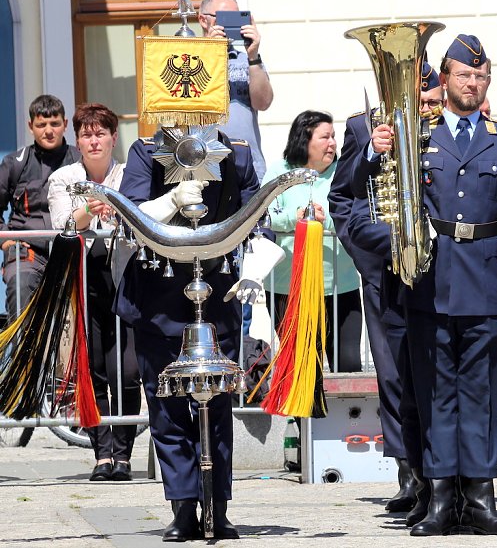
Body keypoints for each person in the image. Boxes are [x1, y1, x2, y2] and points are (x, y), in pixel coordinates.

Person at [356, 34, 497, 536]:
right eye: (462, 75)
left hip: (487, 276)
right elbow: (374, 189)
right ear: (445, 80)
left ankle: (480, 497)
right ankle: (438, 497)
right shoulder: (417, 134)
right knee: (435, 394)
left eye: (480, 76)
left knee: (482, 393)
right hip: (431, 277)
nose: (472, 84)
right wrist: (376, 148)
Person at [117, 127, 260, 540]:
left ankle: (217, 505)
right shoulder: (147, 150)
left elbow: (256, 218)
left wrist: (256, 270)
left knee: (216, 409)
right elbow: (132, 215)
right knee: (168, 410)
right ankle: (182, 506)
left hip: (218, 292)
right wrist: (170, 201)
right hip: (158, 295)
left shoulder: (236, 152)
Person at [327, 62, 444, 516]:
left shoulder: (441, 120)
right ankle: (407, 474)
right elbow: (343, 196)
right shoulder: (362, 126)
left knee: (431, 374)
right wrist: (367, 257)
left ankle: (438, 472)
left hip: (436, 269)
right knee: (394, 376)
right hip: (384, 270)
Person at [47, 103, 141, 482]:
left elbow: (139, 212)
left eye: (100, 133)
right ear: (78, 141)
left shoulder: (130, 173)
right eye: (86, 134)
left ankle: (124, 454)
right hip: (85, 282)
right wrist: (92, 206)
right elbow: (63, 224)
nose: (93, 140)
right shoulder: (63, 177)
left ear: (113, 137)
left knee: (128, 371)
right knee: (95, 370)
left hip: (126, 280)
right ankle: (102, 455)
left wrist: (113, 206)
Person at [264, 111, 362, 372]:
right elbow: (264, 215)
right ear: (304, 140)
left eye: (333, 136)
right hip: (289, 286)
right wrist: (296, 219)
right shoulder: (280, 171)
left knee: (348, 365)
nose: (332, 143)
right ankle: (302, 415)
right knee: (303, 369)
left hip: (342, 286)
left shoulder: (346, 171)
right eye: (325, 137)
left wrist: (324, 220)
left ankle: (340, 415)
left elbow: (354, 214)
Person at [0, 95, 81, 320]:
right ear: (30, 127)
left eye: (55, 124)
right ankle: (23, 355)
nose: (48, 130)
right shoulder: (14, 163)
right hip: (28, 251)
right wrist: (6, 242)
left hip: (72, 249)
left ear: (65, 124)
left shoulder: (80, 160)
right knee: (21, 285)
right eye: (41, 124)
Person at [198, 0, 273, 183]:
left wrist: (253, 55)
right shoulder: (191, 59)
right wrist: (211, 55)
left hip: (250, 167)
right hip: (205, 165)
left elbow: (263, 102)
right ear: (203, 20)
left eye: (237, 17)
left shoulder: (246, 60)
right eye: (224, 18)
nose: (232, 24)